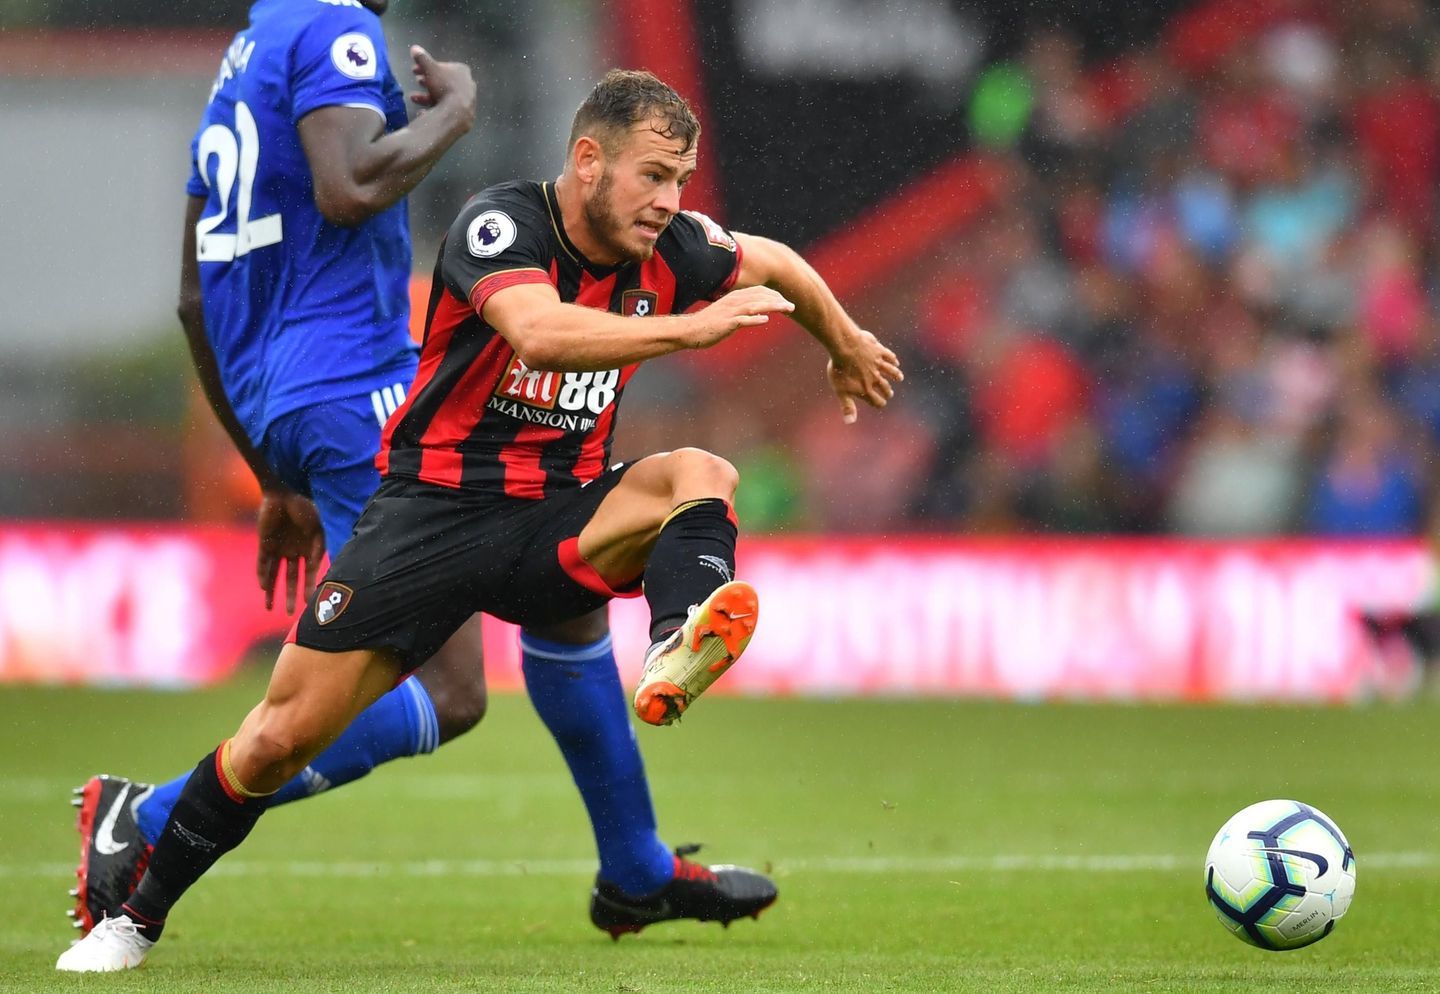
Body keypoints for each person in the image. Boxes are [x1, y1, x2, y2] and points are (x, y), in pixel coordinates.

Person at [57, 67, 902, 972]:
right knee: (276, 737)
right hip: (435, 520)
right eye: (651, 176)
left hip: (556, 516)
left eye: (679, 182)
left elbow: (774, 263)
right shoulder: (503, 225)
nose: (668, 201)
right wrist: (691, 332)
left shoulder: (678, 249)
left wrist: (843, 340)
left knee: (700, 474)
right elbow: (539, 331)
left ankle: (676, 639)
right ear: (587, 162)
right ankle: (135, 917)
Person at [66, 2, 694, 952]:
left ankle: (636, 866)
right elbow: (351, 187)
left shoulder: (247, 53)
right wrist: (455, 115)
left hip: (284, 400)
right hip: (360, 389)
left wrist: (271, 469)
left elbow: (194, 299)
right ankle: (145, 822)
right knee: (450, 693)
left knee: (563, 599)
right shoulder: (333, 31)